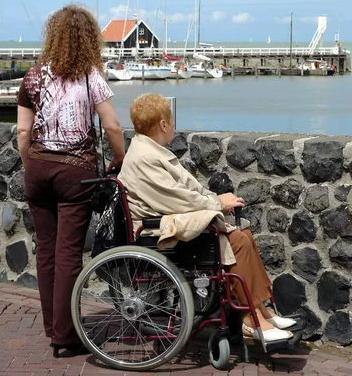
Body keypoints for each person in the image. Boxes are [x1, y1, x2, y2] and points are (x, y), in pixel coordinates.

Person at [119, 93, 296, 343]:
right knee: (238, 241)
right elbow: (177, 199)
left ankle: (260, 310)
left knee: (243, 235)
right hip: (158, 231)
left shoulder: (147, 151)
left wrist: (215, 199)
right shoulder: (146, 157)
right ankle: (251, 318)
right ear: (163, 124)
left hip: (166, 219)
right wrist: (217, 202)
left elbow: (184, 193)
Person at [16, 4, 125, 358]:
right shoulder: (90, 75)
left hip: (37, 168)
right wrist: (120, 156)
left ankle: (53, 327)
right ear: (89, 39)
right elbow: (111, 125)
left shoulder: (33, 76)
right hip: (75, 173)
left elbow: (22, 131)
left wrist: (30, 162)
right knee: (67, 254)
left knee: (46, 251)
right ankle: (64, 336)